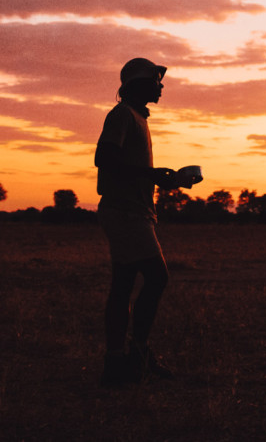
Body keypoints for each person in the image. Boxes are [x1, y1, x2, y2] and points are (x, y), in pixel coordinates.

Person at [95, 56, 181, 387]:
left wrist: (159, 179)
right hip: (125, 212)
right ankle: (137, 354)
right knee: (157, 277)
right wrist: (151, 174)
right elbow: (103, 158)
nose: (161, 87)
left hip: (130, 210)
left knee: (123, 285)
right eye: (155, 81)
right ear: (137, 85)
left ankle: (117, 361)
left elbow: (122, 164)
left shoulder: (136, 117)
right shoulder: (122, 116)